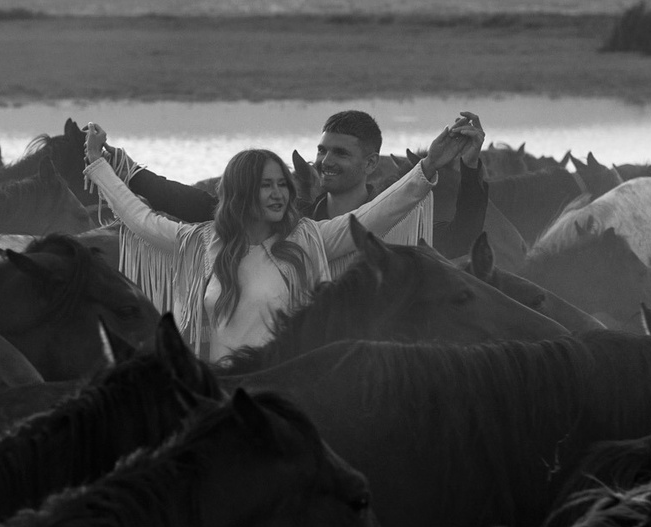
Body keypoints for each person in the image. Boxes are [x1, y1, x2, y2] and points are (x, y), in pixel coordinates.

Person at [82, 112, 485, 363]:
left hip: (311, 378)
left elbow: (378, 215)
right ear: (242, 194)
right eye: (265, 185)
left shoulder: (310, 238)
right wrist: (102, 165)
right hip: (223, 386)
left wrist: (431, 166)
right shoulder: (207, 242)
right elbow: (144, 219)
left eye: (281, 184)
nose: (277, 193)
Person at [115, 108, 491, 264]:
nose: (325, 161)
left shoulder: (400, 226)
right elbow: (207, 207)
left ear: (370, 164)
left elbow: (462, 238)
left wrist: (471, 165)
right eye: (322, 150)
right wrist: (129, 171)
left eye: (340, 153)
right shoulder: (294, 222)